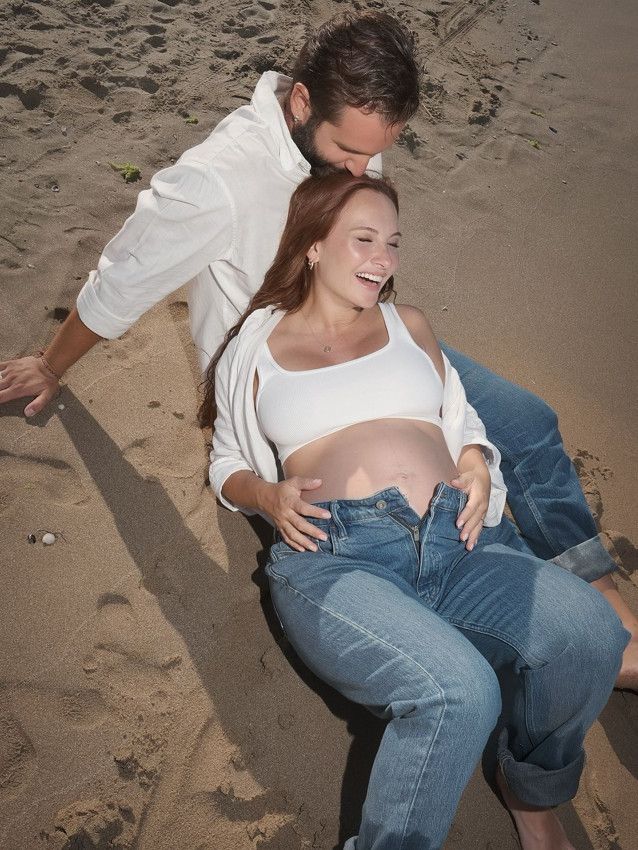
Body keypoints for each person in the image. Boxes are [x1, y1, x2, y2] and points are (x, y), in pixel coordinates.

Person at [0, 11, 635, 684]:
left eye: (374, 155)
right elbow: (122, 280)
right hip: (289, 381)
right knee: (423, 503)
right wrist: (50, 364)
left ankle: (611, 613)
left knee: (527, 424)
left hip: (368, 340)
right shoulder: (217, 181)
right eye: (350, 153)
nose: (363, 170)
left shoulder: (347, 131)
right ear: (301, 103)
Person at [207, 171, 629, 850]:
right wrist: (268, 496)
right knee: (460, 693)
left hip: (458, 542)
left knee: (593, 635)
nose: (383, 259)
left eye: (393, 243)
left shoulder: (409, 325)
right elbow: (227, 461)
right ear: (312, 244)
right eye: (364, 239)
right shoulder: (258, 344)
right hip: (338, 559)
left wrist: (475, 463)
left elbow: (461, 422)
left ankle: (530, 787)